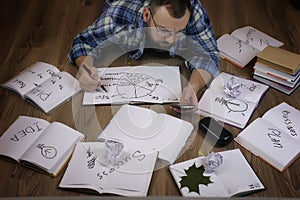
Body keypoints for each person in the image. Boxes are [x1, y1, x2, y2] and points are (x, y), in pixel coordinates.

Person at [69, 0, 219, 110]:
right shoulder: (118, 15)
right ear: (147, 14)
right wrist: (85, 68)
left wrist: (193, 86)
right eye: (164, 30)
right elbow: (82, 43)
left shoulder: (193, 11)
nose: (171, 40)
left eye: (179, 32)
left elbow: (208, 55)